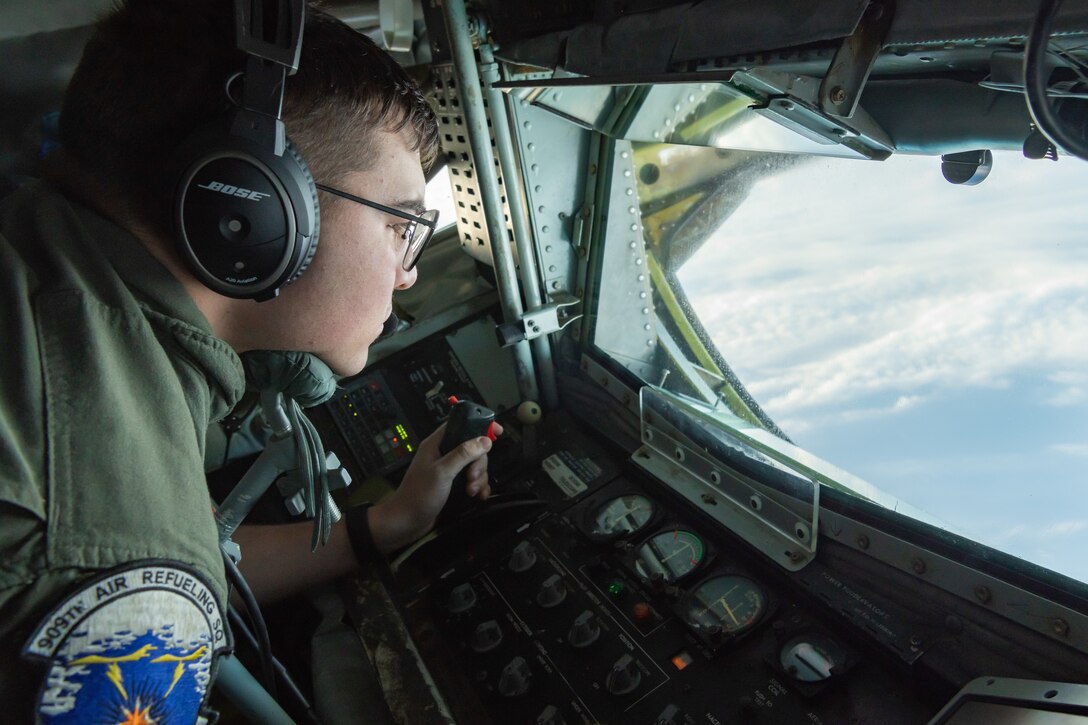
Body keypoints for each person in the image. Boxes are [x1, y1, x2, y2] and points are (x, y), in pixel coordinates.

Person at [0, 0, 496, 720]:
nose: (409, 273)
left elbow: (182, 545)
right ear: (251, 206)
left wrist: (383, 523)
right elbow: (137, 561)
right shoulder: (107, 565)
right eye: (401, 226)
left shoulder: (41, 263)